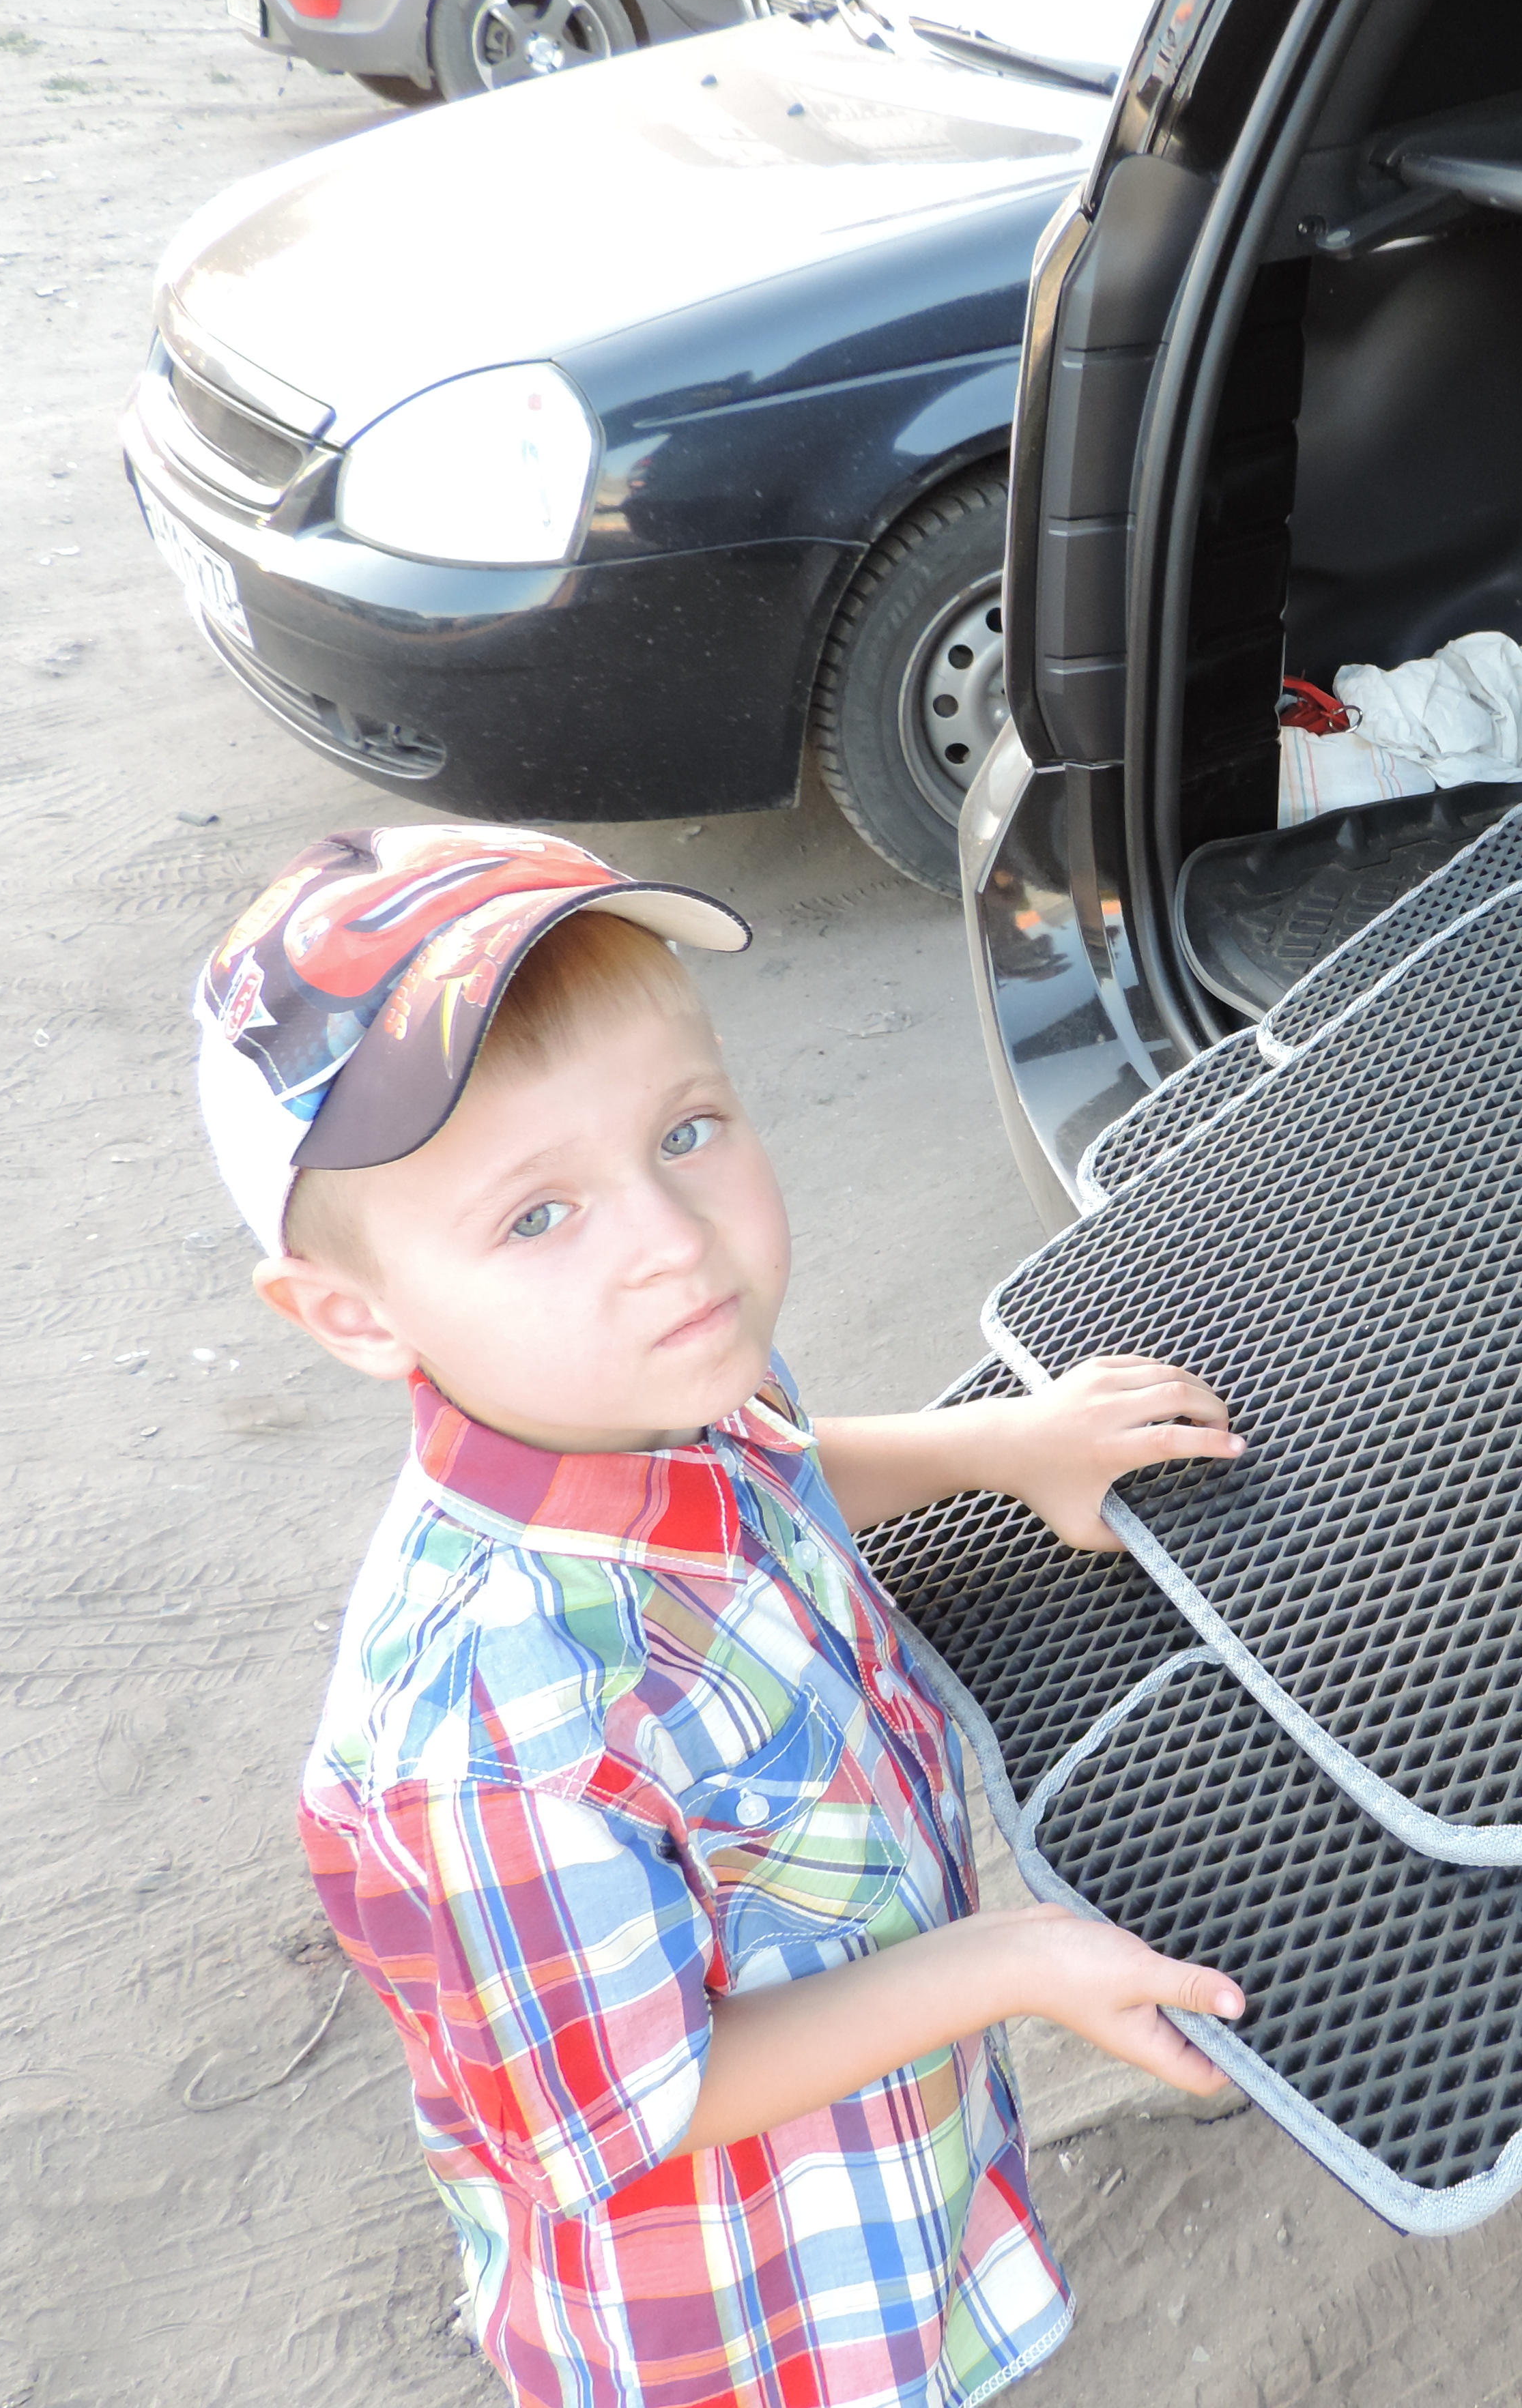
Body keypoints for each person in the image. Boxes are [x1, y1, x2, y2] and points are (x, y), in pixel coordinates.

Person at [194, 822, 1246, 2407]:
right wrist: (1008, 1963)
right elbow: (643, 2102)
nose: (673, 1244)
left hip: (884, 2160)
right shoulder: (484, 1742)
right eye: (537, 1217)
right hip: (746, 2316)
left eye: (686, 1131)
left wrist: (995, 1447)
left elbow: (776, 1480)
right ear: (353, 1313)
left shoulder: (655, 1389)